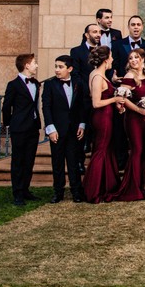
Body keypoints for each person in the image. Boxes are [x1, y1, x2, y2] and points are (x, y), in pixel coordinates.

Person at [41, 54, 86, 203]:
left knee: (74, 162)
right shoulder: (49, 85)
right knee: (57, 162)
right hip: (57, 131)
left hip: (74, 129)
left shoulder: (78, 83)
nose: (57, 70)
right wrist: (50, 129)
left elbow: (82, 106)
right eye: (56, 67)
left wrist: (82, 124)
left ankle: (76, 192)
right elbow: (46, 108)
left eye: (60, 67)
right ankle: (58, 192)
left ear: (70, 69)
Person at [82, 46, 125, 203]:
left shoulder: (99, 74)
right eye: (111, 57)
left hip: (107, 115)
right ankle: (93, 190)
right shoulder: (98, 77)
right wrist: (115, 99)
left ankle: (105, 185)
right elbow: (96, 102)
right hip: (102, 118)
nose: (113, 59)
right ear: (106, 59)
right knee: (100, 151)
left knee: (106, 150)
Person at [1, 53, 41, 206]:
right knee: (18, 161)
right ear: (26, 65)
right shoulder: (13, 85)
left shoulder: (36, 83)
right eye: (34, 62)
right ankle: (17, 193)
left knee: (29, 160)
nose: (36, 65)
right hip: (19, 128)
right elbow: (6, 107)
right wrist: (9, 125)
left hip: (33, 127)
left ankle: (25, 190)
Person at [113, 49, 145, 201]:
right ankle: (132, 188)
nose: (133, 60)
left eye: (136, 57)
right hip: (134, 119)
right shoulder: (129, 76)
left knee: (142, 152)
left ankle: (139, 185)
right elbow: (122, 98)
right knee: (137, 150)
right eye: (130, 58)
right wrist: (139, 110)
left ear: (143, 59)